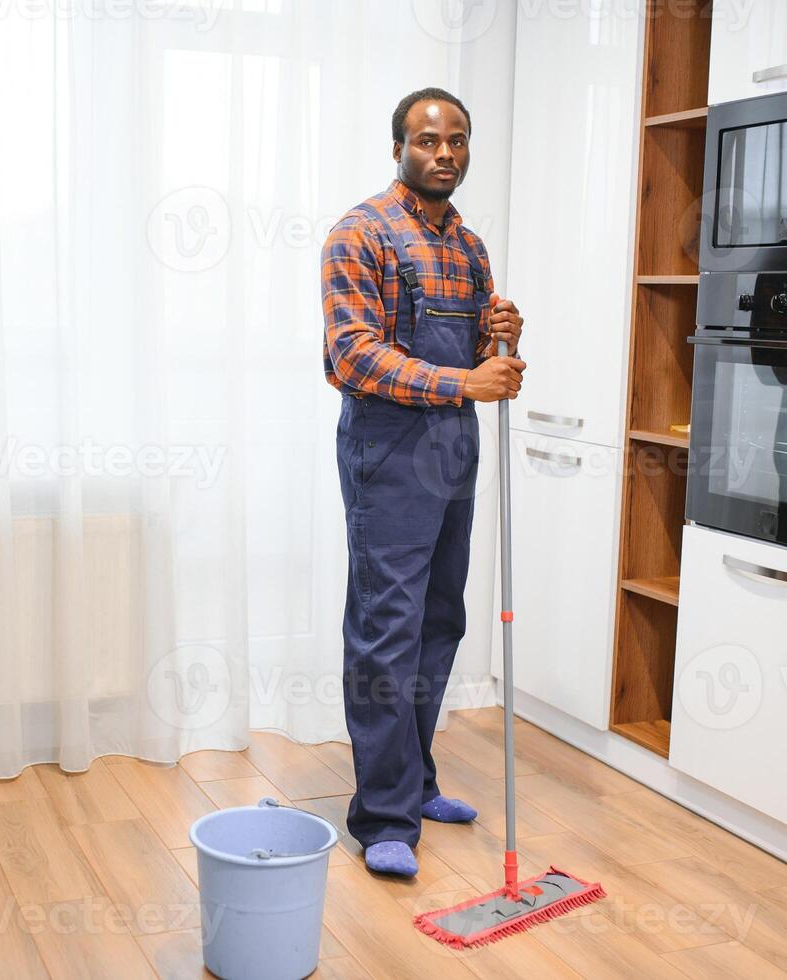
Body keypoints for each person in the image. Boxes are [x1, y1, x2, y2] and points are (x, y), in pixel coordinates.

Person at [321, 87, 526, 877]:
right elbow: (353, 355)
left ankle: (415, 781)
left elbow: (483, 367)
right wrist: (464, 384)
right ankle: (382, 818)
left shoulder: (469, 248)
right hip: (388, 451)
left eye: (458, 140)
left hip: (453, 450)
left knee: (440, 618)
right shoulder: (360, 233)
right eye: (428, 139)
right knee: (386, 630)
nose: (445, 152)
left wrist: (501, 346)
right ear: (399, 147)